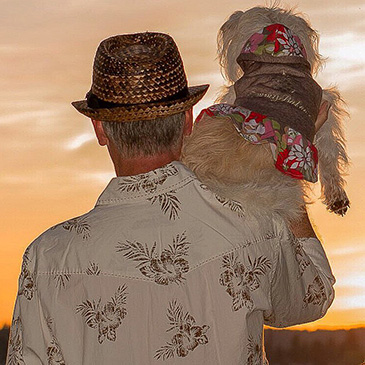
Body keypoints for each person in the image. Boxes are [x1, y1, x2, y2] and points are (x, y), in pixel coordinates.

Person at [7, 32, 334, 365]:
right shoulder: (253, 226)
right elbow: (314, 296)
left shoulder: (47, 260)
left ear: (99, 129)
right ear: (188, 120)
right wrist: (285, 167)